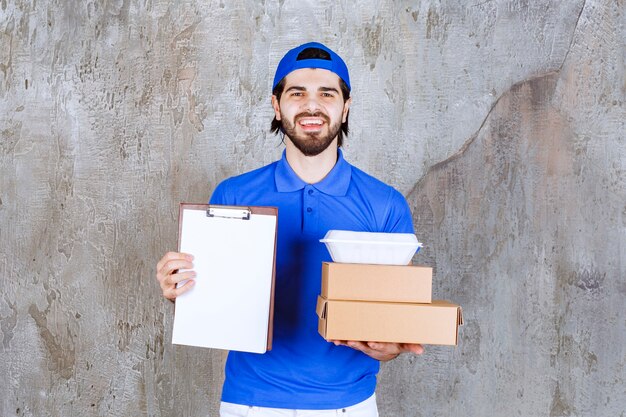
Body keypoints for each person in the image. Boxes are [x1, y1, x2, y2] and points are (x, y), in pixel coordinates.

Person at [156, 42, 424, 416]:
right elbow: (212, 303)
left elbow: (399, 320)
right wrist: (181, 292)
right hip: (249, 403)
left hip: (349, 406)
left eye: (326, 94)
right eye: (297, 93)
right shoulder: (233, 195)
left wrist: (392, 346)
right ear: (276, 105)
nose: (311, 106)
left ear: (345, 108)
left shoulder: (386, 205)